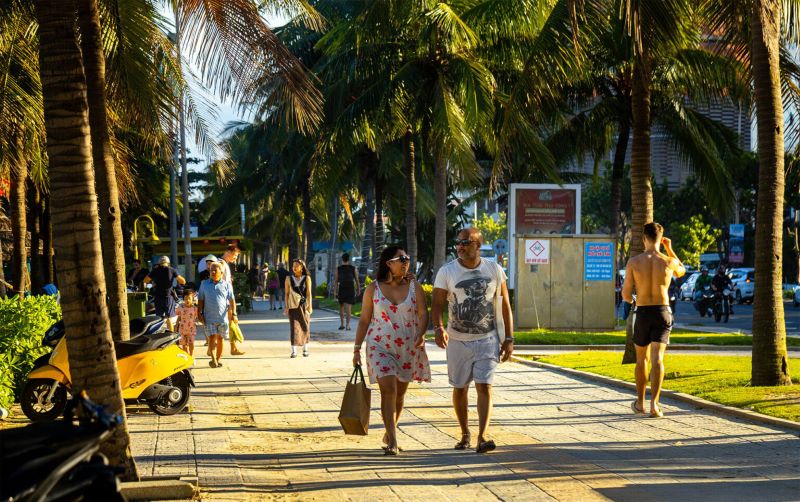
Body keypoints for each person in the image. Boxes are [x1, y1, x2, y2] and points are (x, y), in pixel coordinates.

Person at [431, 227, 514, 454]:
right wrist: (439, 328)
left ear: (478, 245)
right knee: (460, 388)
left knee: (485, 385)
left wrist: (509, 338)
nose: (460, 246)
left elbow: (505, 305)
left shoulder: (494, 269)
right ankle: (465, 433)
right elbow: (437, 304)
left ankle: (482, 436)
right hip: (457, 340)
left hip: (487, 339)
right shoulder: (447, 272)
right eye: (457, 242)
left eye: (465, 242)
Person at [353, 246, 430, 455]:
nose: (406, 262)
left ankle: (389, 430)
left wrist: (422, 333)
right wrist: (356, 349)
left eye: (407, 258)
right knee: (389, 391)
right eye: (401, 259)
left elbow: (423, 314)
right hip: (379, 346)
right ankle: (393, 442)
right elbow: (363, 320)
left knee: (400, 395)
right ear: (389, 263)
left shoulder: (415, 287)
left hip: (407, 347)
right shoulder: (373, 289)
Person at [622, 222, 685, 418]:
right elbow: (681, 270)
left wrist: (633, 300)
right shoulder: (668, 261)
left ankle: (640, 403)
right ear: (660, 238)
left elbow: (625, 294)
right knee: (658, 358)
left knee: (642, 360)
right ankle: (655, 406)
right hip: (662, 311)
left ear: (644, 239)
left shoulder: (634, 261)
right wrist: (669, 247)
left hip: (642, 311)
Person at [198, 261, 237, 368]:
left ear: (221, 272)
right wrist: (199, 313)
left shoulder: (226, 285)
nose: (213, 272)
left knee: (220, 339)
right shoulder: (204, 284)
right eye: (211, 270)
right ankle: (213, 359)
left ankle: (218, 360)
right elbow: (200, 299)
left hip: (222, 318)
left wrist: (234, 313)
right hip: (209, 317)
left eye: (215, 270)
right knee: (211, 338)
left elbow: (232, 300)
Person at [143, 256, 186, 331]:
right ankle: (171, 336)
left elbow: (145, 280)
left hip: (158, 297)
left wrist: (154, 281)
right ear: (168, 263)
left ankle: (157, 336)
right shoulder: (172, 270)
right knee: (169, 318)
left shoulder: (155, 270)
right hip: (168, 297)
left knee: (158, 318)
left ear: (159, 263)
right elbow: (183, 281)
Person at [283, 259, 312, 358]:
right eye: (293, 266)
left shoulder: (307, 278)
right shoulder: (288, 279)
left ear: (302, 267)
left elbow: (309, 293)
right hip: (293, 306)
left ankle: (305, 349)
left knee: (305, 326)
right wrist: (286, 306)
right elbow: (286, 294)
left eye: (296, 265)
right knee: (294, 327)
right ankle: (294, 351)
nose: (294, 267)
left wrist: (310, 306)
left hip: (304, 306)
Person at [335, 253, 360, 330]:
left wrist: (335, 292)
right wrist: (358, 289)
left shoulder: (338, 268)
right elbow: (356, 280)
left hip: (342, 288)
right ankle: (348, 325)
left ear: (342, 259)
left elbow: (336, 281)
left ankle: (342, 324)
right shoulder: (353, 268)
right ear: (348, 260)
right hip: (350, 288)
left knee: (341, 306)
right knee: (348, 307)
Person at [176, 289, 199, 356]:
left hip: (191, 329)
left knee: (191, 343)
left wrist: (203, 322)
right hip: (182, 329)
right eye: (185, 298)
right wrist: (176, 325)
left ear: (192, 299)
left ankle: (191, 356)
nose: (187, 300)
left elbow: (198, 318)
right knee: (184, 345)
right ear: (183, 299)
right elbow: (179, 316)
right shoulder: (181, 307)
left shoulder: (195, 308)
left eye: (189, 298)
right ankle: (187, 356)